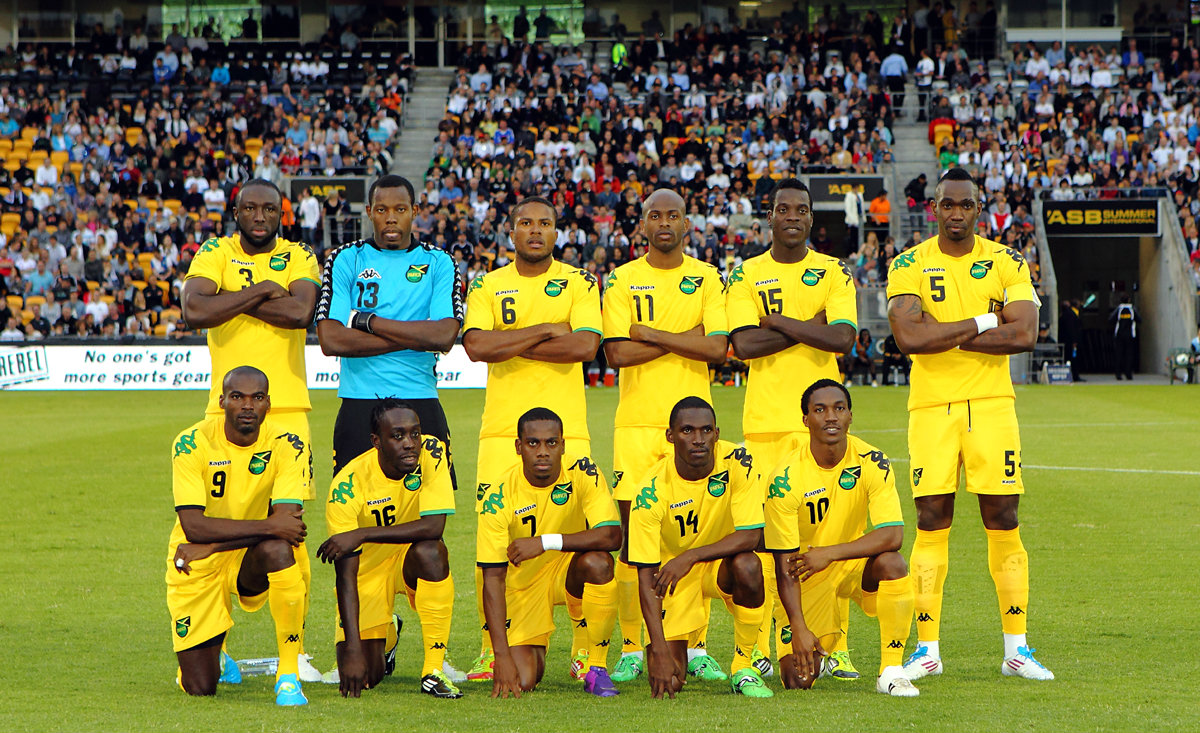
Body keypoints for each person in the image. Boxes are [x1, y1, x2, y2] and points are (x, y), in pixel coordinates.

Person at [885, 167, 1054, 682]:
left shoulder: (1006, 260)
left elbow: (1024, 333)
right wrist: (985, 321)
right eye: (947, 205)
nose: (955, 213)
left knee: (1002, 517)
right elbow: (909, 339)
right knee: (931, 519)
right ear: (933, 208)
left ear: (978, 210)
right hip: (932, 408)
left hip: (991, 405)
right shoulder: (908, 263)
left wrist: (945, 333)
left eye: (965, 205)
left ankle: (1016, 649)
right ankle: (927, 649)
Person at [180, 178, 321, 681]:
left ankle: (293, 652)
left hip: (287, 413)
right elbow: (194, 310)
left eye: (269, 208)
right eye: (249, 208)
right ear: (235, 212)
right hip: (224, 414)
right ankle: (215, 643)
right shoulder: (213, 250)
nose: (259, 216)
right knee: (218, 531)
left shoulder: (300, 254)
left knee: (290, 531)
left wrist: (231, 297)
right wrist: (263, 291)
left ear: (282, 214)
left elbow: (300, 313)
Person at [462, 196, 602, 680]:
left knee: (586, 541)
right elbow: (478, 346)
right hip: (501, 433)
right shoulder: (487, 283)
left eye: (545, 223)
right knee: (493, 542)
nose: (535, 230)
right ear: (511, 231)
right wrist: (545, 329)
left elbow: (585, 345)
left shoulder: (579, 281)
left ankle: (586, 648)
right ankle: (489, 645)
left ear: (557, 232)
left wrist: (513, 340)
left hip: (569, 435)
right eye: (525, 223)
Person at [725, 178, 859, 679]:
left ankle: (836, 646)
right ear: (771, 216)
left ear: (811, 218)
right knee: (762, 540)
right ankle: (759, 643)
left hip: (822, 425)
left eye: (801, 209)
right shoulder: (744, 273)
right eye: (783, 209)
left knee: (828, 535)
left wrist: (776, 320)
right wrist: (809, 324)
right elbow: (743, 345)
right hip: (763, 426)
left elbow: (844, 338)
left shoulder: (833, 271)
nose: (792, 216)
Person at [601, 188, 729, 683]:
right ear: (643, 223)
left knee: (694, 532)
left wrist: (650, 334)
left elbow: (717, 348)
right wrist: (686, 340)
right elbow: (615, 354)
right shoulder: (622, 278)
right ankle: (634, 645)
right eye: (656, 215)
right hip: (637, 425)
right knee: (638, 539)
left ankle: (695, 645)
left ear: (686, 222)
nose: (665, 223)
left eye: (674, 214)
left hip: (695, 426)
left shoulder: (706, 277)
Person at [764, 379, 919, 698]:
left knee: (892, 562)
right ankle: (821, 644)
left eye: (839, 408)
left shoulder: (873, 461)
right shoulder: (784, 479)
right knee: (797, 680)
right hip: (804, 572)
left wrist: (831, 553)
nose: (831, 416)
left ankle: (891, 670)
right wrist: (800, 628)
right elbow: (783, 565)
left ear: (850, 416)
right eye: (820, 410)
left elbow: (893, 534)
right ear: (805, 419)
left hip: (851, 563)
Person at [166, 367, 310, 705]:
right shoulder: (191, 442)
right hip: (193, 561)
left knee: (279, 549)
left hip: (238, 553)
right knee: (200, 687)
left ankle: (288, 675)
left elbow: (287, 525)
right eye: (237, 397)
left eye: (257, 397)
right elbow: (193, 527)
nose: (247, 405)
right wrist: (268, 526)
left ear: (268, 404)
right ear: (221, 402)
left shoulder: (287, 444)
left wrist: (214, 544)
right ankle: (217, 651)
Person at [315, 175, 462, 479]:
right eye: (382, 210)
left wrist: (370, 323)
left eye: (400, 209)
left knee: (429, 510)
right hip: (359, 400)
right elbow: (331, 340)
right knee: (353, 505)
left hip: (420, 397)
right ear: (368, 211)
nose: (391, 218)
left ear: (415, 210)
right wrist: (416, 336)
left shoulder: (439, 262)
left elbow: (444, 336)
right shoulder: (345, 258)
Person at [626, 397, 771, 699]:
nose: (698, 439)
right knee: (671, 679)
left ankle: (744, 666)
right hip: (671, 576)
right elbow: (645, 575)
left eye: (706, 430)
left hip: (718, 565)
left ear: (717, 433)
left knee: (748, 564)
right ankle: (671, 651)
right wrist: (660, 649)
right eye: (687, 431)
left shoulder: (737, 461)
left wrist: (691, 556)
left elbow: (751, 536)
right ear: (670, 436)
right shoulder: (650, 491)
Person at [317, 400, 461, 699]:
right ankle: (388, 631)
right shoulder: (347, 486)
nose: (410, 444)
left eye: (415, 434)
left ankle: (433, 670)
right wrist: (353, 649)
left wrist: (362, 533)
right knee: (365, 676)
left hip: (408, 561)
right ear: (376, 441)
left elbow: (434, 527)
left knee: (432, 551)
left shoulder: (432, 452)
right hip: (365, 574)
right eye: (397, 436)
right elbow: (346, 576)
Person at [477, 408, 622, 698]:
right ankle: (527, 648)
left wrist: (545, 541)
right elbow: (492, 578)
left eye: (551, 443)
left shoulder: (582, 471)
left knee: (599, 563)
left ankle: (595, 666)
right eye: (533, 443)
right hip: (522, 584)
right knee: (522, 680)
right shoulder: (496, 496)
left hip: (568, 567)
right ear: (519, 447)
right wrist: (501, 656)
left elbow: (612, 535)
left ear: (563, 445)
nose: (543, 452)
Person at [1109, 293, 1139, 380]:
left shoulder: (1119, 309)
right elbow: (1139, 319)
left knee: (1118, 355)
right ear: (1129, 300)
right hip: (1130, 335)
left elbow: (1110, 319)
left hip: (1119, 335)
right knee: (1129, 355)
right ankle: (1128, 374)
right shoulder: (1132, 309)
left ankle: (1118, 374)